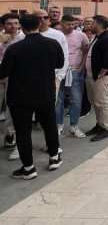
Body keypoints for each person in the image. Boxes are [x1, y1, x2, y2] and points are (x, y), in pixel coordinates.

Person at [0, 14, 64, 179]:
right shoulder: (52, 44)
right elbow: (60, 64)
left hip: (20, 96)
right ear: (39, 24)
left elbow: (3, 72)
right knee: (49, 126)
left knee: (23, 131)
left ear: (22, 26)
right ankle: (54, 158)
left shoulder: (14, 48)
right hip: (45, 93)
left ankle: (28, 168)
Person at [56, 15, 89, 139]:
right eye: (68, 24)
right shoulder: (57, 35)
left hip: (75, 71)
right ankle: (58, 125)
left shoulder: (81, 36)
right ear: (61, 23)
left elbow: (85, 51)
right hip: (59, 72)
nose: (71, 27)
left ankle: (74, 126)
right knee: (58, 101)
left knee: (76, 99)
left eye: (73, 24)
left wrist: (81, 67)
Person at [84, 15, 108, 142]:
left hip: (101, 77)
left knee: (102, 102)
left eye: (93, 23)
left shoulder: (107, 39)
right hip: (92, 76)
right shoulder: (97, 38)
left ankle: (106, 128)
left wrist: (101, 74)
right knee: (95, 101)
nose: (91, 25)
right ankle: (99, 125)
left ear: (99, 25)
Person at [0, 14, 24, 158]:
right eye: (9, 23)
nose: (13, 26)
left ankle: (9, 135)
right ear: (3, 25)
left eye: (16, 23)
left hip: (14, 80)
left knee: (11, 109)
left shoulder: (23, 39)